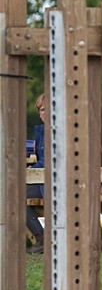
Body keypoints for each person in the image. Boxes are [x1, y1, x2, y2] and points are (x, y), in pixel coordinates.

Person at [25, 94, 46, 254]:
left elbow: (48, 160)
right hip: (41, 180)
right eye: (41, 110)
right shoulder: (40, 131)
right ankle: (41, 237)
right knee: (12, 197)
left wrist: (29, 171)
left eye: (46, 109)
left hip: (53, 182)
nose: (43, 113)